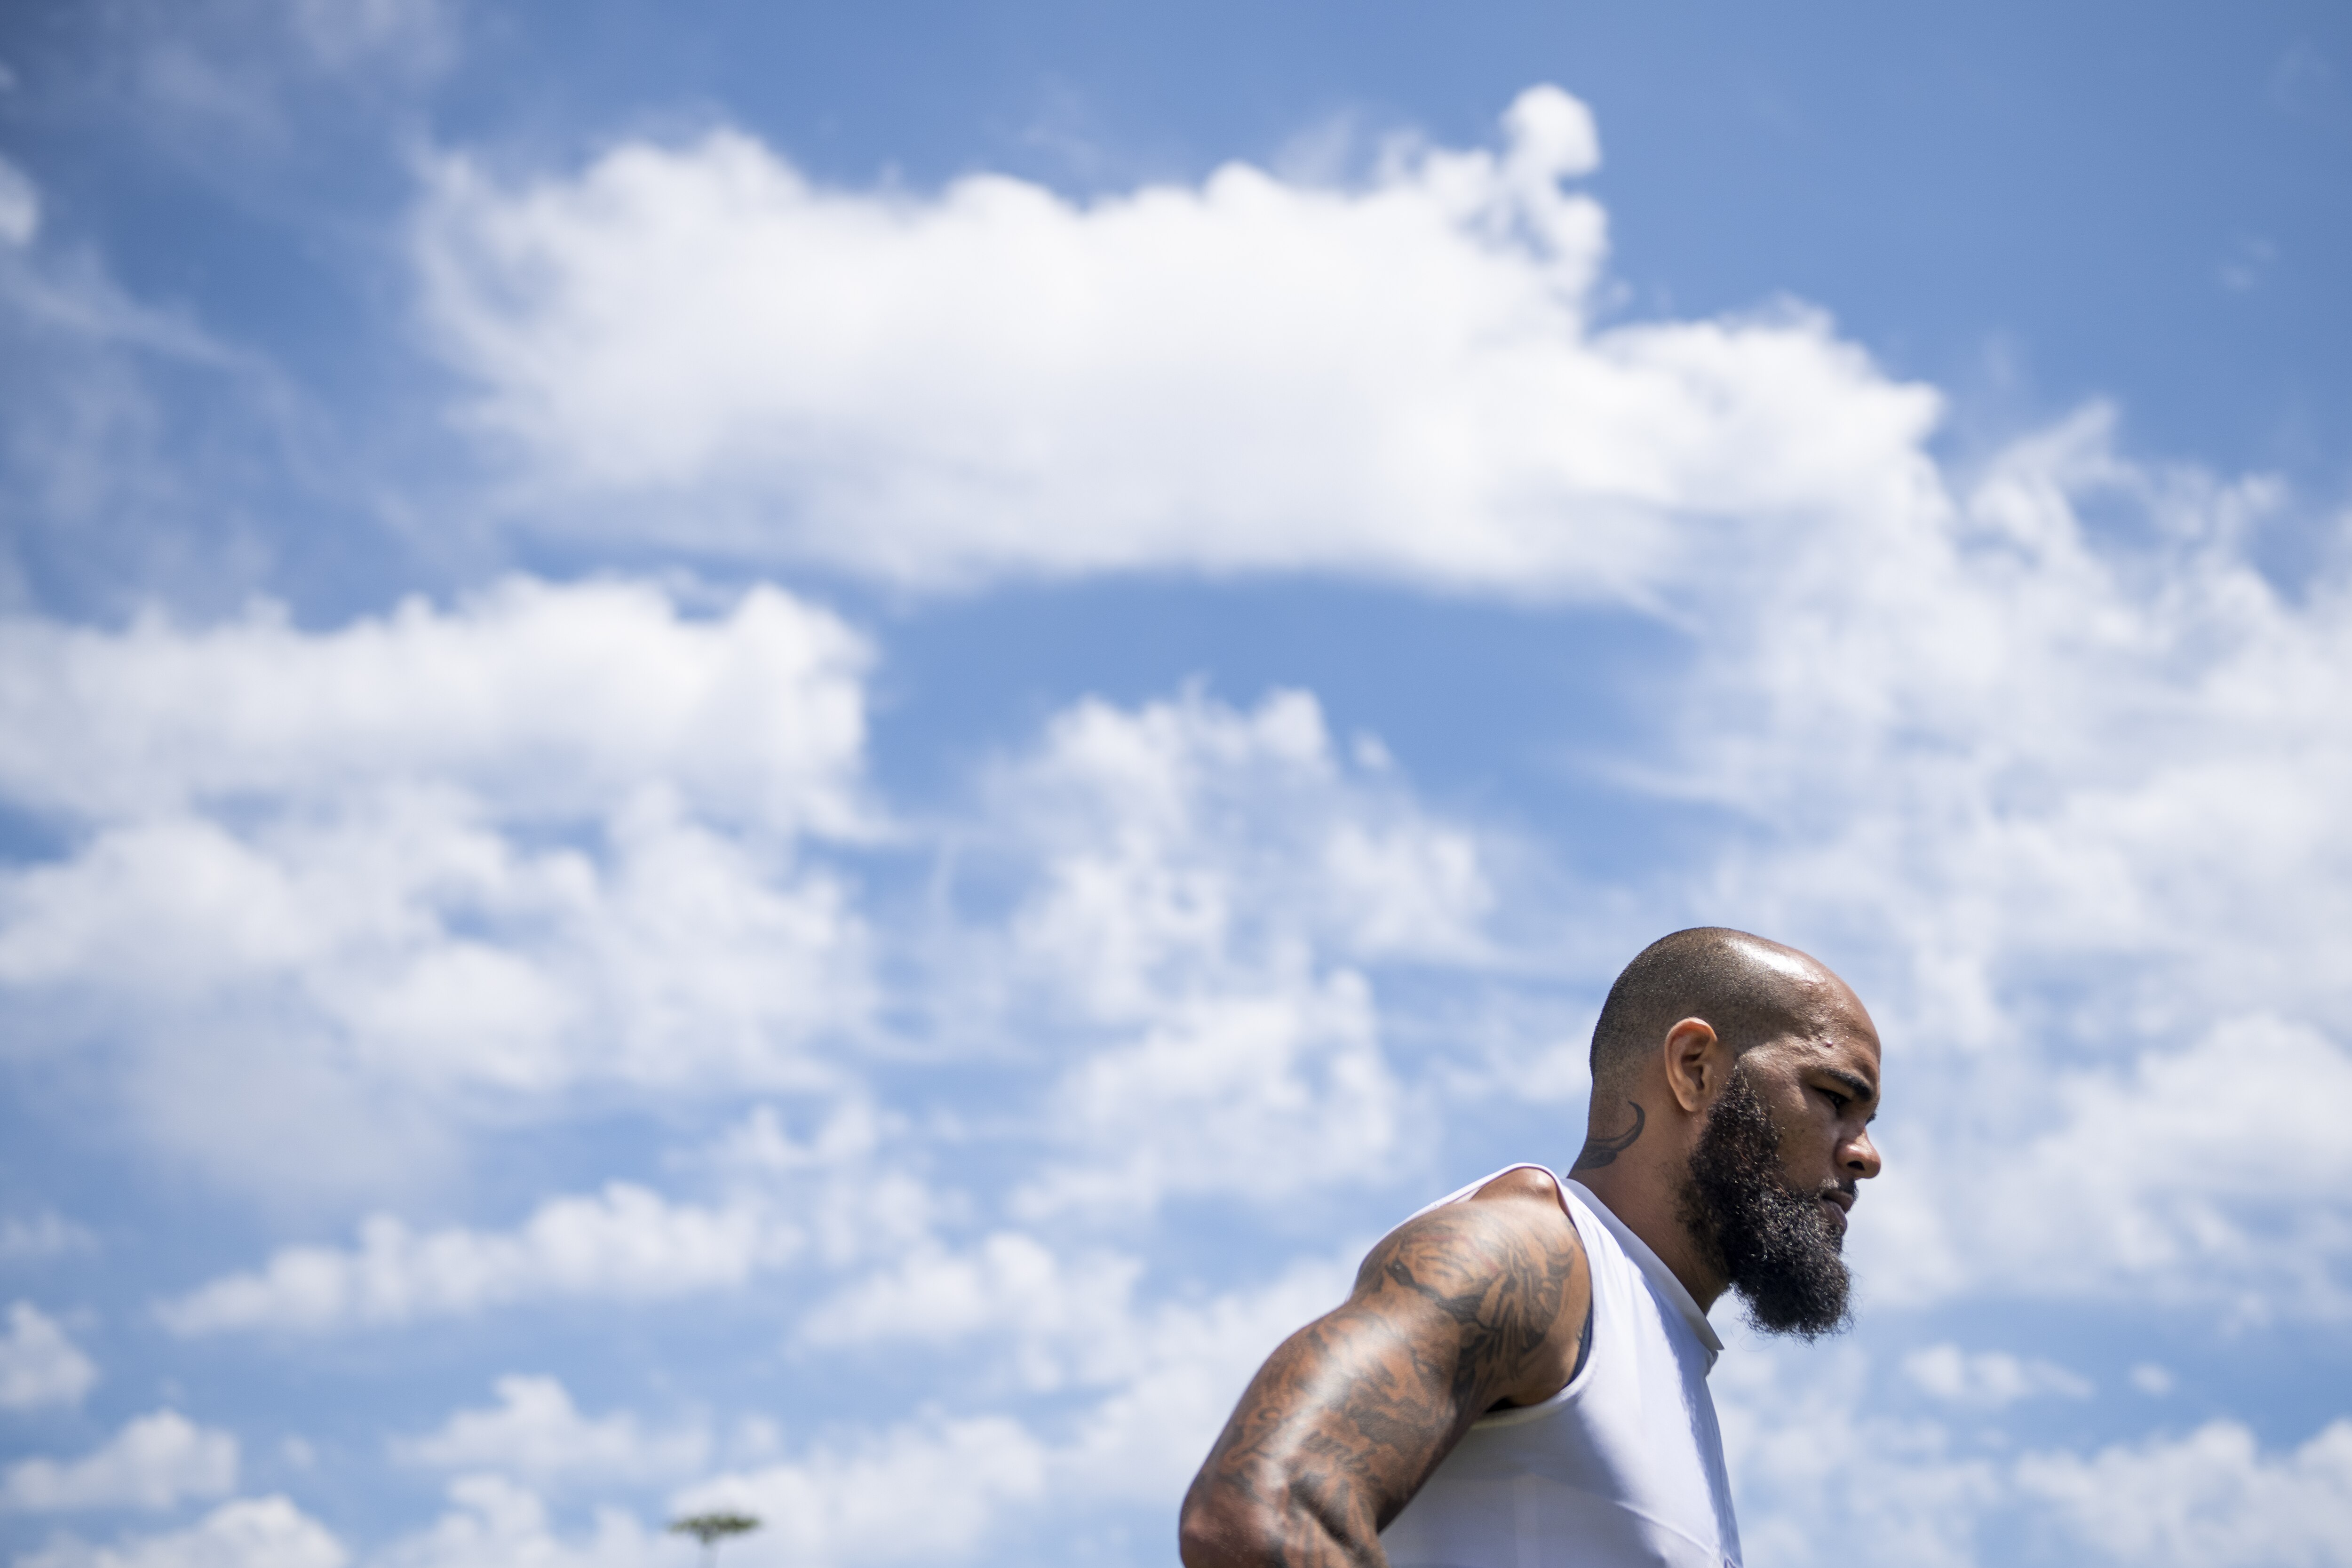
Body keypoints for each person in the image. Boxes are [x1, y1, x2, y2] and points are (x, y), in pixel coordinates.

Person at [1177, 927, 1883, 1568]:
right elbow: (1258, 1514)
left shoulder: (1666, 1355)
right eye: (1832, 1096)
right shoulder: (1529, 1248)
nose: (1867, 1155)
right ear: (1695, 1067)